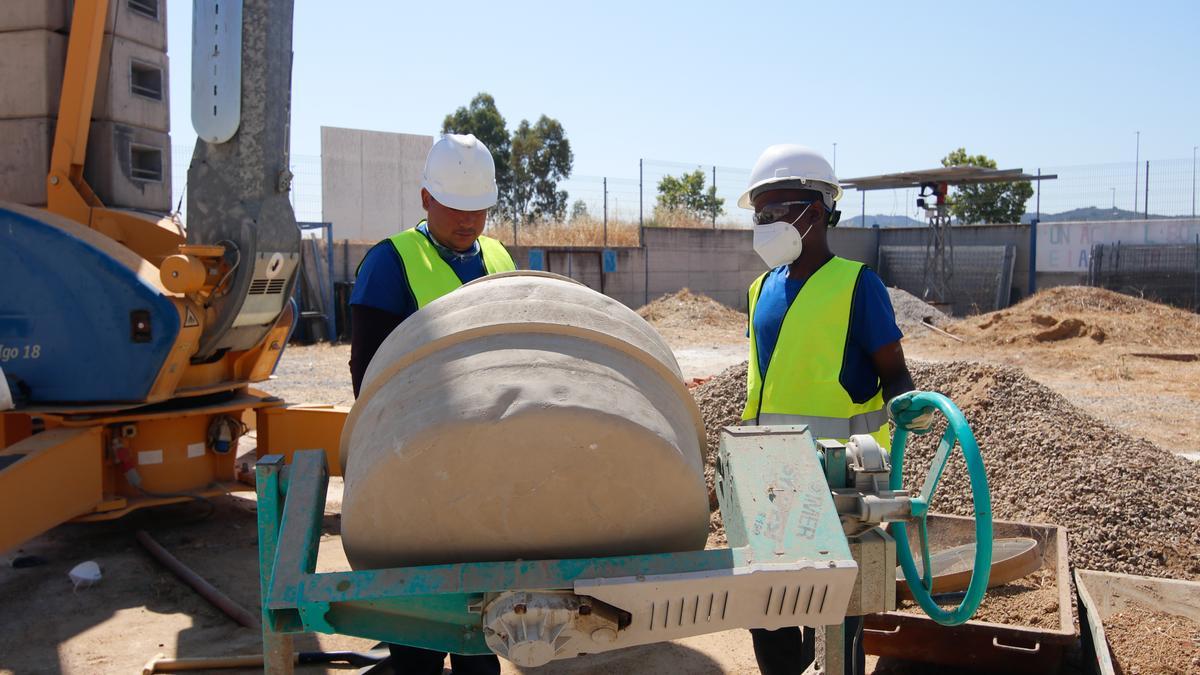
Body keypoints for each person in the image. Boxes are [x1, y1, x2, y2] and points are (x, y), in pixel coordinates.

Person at [738, 144, 934, 675]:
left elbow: (893, 373)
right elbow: (762, 388)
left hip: (841, 483)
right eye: (759, 213)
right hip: (772, 478)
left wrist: (909, 411)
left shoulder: (857, 286)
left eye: (776, 211)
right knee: (768, 609)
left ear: (817, 212)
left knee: (840, 612)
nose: (764, 224)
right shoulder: (759, 290)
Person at [347, 133, 514, 674]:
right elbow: (367, 379)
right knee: (419, 635)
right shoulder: (389, 264)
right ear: (425, 199)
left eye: (478, 209)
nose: (468, 221)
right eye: (455, 208)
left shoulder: (497, 257)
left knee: (482, 636)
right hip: (416, 474)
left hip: (486, 472)